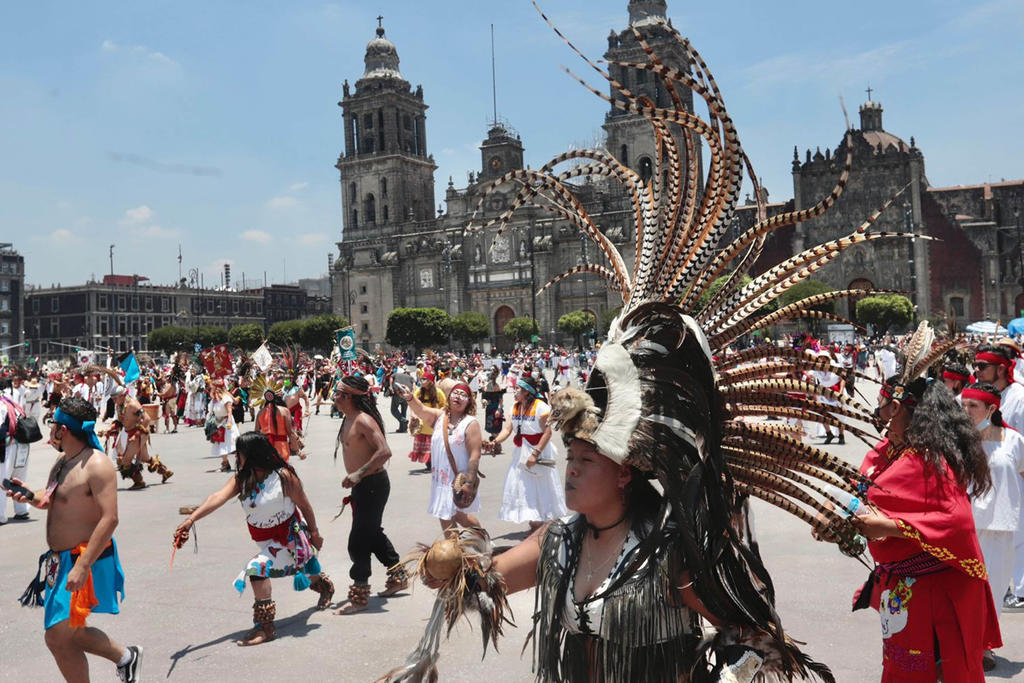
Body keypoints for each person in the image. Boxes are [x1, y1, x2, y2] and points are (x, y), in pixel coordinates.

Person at [846, 366, 1001, 681]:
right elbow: (863, 493)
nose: (879, 415)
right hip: (906, 590)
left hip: (936, 595)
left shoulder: (927, 459)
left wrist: (890, 527)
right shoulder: (893, 452)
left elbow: (955, 521)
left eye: (883, 405)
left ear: (898, 407)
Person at [7, 397, 141, 682]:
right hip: (59, 561)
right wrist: (29, 496)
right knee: (71, 632)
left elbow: (110, 518)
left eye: (53, 423)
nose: (51, 428)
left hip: (83, 559)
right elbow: (49, 499)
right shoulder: (62, 461)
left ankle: (126, 657)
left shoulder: (97, 465)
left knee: (57, 635)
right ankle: (126, 657)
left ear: (63, 430)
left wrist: (82, 566)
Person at [172, 431, 333, 646]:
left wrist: (315, 534)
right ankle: (322, 585)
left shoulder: (284, 477)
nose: (237, 457)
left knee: (257, 570)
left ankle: (265, 627)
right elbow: (217, 497)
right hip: (266, 541)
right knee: (304, 571)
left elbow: (305, 506)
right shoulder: (243, 479)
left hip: (291, 538)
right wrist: (191, 520)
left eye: (240, 453)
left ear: (253, 454)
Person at [961, 381, 1024, 669]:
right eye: (963, 404)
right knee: (964, 588)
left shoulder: (1013, 440)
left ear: (991, 408)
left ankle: (984, 647)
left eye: (973, 406)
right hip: (964, 525)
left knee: (994, 588)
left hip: (1001, 526)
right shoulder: (958, 440)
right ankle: (959, 644)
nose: (966, 410)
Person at [332, 375, 406, 614]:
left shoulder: (363, 420)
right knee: (372, 533)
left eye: (338, 393)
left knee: (359, 541)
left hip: (373, 484)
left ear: (349, 397)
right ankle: (398, 575)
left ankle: (360, 594)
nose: (334, 396)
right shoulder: (348, 418)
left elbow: (385, 451)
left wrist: (359, 474)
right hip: (363, 486)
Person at [974, 343, 1024, 609]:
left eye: (983, 366)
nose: (977, 371)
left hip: (1015, 477)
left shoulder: (1020, 397)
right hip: (987, 481)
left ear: (1002, 368)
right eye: (976, 366)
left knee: (1017, 540)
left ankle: (1019, 590)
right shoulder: (981, 395)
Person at [398, 380, 482, 532]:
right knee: (448, 516)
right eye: (455, 393)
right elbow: (421, 410)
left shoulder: (471, 423)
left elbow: (475, 456)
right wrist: (410, 398)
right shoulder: (439, 417)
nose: (458, 397)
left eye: (463, 395)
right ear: (449, 397)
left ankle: (481, 541)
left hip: (458, 480)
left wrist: (469, 483)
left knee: (460, 517)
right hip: (441, 480)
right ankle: (456, 550)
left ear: (469, 402)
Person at [490, 375, 567, 530]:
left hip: (538, 451)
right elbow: (508, 429)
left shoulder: (540, 406)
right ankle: (534, 522)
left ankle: (539, 524)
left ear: (526, 391)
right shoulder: (516, 406)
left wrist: (535, 454)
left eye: (517, 389)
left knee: (540, 486)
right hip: (521, 451)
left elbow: (547, 433)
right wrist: (494, 442)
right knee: (524, 486)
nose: (514, 391)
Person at [113, 395, 172, 489]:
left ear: (122, 396)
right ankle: (165, 472)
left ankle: (139, 481)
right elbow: (122, 422)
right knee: (145, 458)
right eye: (113, 398)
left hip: (139, 434)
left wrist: (136, 434)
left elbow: (147, 418)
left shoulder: (133, 405)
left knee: (125, 461)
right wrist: (109, 430)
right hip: (130, 434)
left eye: (115, 398)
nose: (114, 400)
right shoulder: (119, 406)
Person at [1, 391, 32, 523]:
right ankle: (22, 509)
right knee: (19, 477)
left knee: (2, 481)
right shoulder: (10, 401)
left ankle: (0, 516)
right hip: (23, 445)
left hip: (9, 446)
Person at [407, 373, 445, 471]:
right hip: (422, 423)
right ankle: (429, 463)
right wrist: (413, 414)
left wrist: (439, 414)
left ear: (431, 381)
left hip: (434, 422)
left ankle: (434, 462)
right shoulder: (418, 391)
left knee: (434, 444)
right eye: (421, 379)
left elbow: (445, 405)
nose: (422, 381)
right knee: (425, 444)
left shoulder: (438, 392)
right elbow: (412, 403)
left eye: (425, 379)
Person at [256, 385, 301, 462]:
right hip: (282, 448)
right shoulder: (284, 411)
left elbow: (256, 433)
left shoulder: (260, 413)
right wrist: (297, 451)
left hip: (265, 449)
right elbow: (290, 433)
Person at [207, 380, 240, 472]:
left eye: (212, 387)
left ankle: (241, 462)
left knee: (233, 443)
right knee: (221, 443)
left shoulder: (226, 398)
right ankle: (225, 464)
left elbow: (229, 412)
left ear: (217, 388)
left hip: (226, 423)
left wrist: (229, 423)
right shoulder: (214, 399)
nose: (211, 389)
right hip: (218, 423)